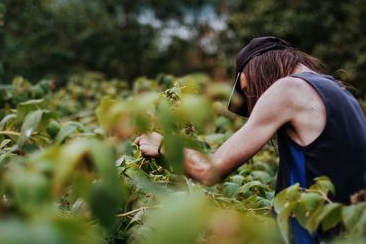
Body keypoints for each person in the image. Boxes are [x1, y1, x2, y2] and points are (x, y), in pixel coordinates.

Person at [135, 36, 366, 244]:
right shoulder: (341, 93)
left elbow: (209, 170)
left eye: (248, 89)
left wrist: (162, 145)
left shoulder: (288, 89)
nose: (253, 99)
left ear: (258, 71)